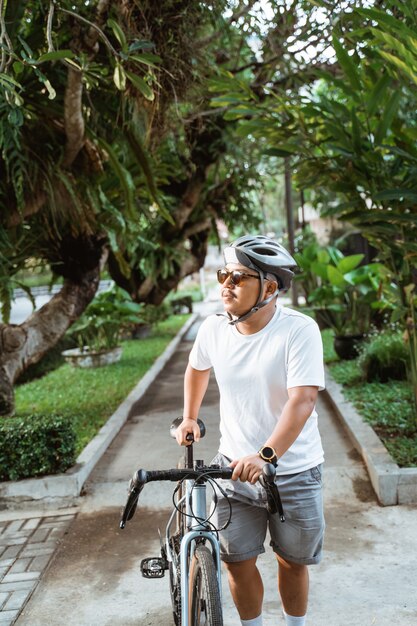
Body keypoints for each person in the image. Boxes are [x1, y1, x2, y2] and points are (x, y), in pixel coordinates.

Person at [176, 234, 325, 626]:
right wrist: (190, 416)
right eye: (224, 274)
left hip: (293, 472)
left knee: (291, 563)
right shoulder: (214, 329)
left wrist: (266, 455)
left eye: (239, 277)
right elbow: (197, 367)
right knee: (237, 561)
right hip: (232, 469)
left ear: (270, 287)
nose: (226, 284)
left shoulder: (298, 330)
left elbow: (303, 400)